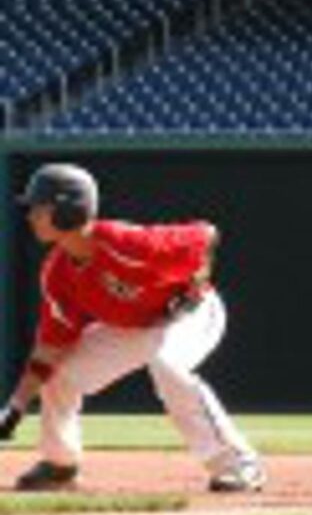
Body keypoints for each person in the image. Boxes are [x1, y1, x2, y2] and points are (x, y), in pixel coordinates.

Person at [0, 163, 264, 493]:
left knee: (168, 364)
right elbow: (49, 348)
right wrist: (15, 407)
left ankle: (239, 463)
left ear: (67, 209)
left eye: (38, 208)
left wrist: (197, 283)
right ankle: (59, 464)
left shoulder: (127, 244)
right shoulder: (57, 273)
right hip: (131, 326)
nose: (31, 216)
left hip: (191, 315)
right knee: (59, 374)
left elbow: (206, 234)